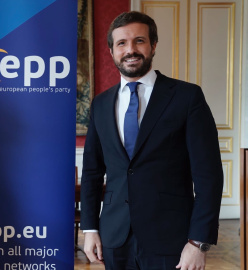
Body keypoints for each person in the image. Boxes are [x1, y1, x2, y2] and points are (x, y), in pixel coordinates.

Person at [80, 11, 223, 270]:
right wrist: (90, 228)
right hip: (115, 237)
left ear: (153, 45)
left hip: (172, 239)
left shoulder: (187, 97)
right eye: (121, 43)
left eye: (139, 41)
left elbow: (208, 175)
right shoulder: (100, 104)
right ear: (112, 51)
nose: (130, 50)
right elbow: (92, 171)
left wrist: (198, 242)